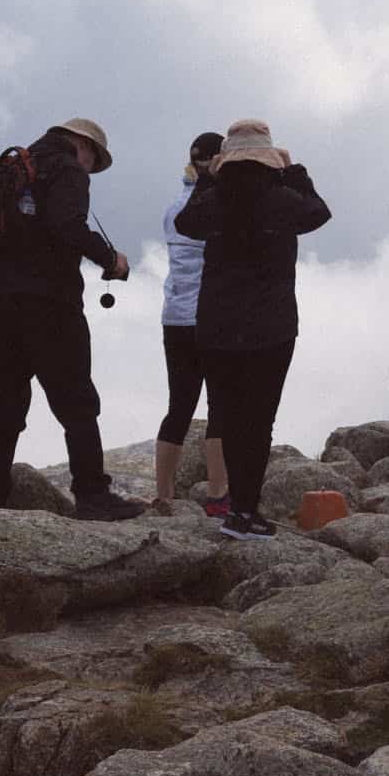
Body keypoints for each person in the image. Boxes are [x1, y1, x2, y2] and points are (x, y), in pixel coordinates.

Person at [0, 115, 143, 519]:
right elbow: (67, 226)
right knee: (77, 401)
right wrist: (111, 260)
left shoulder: (2, 172)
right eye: (93, 162)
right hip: (50, 304)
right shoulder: (66, 169)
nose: (90, 169)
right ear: (83, 146)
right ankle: (93, 495)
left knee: (4, 408)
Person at [174, 119, 331, 540]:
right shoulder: (282, 197)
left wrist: (208, 180)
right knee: (259, 421)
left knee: (226, 414)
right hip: (271, 326)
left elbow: (185, 223)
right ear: (268, 156)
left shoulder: (215, 199)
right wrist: (293, 169)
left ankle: (233, 513)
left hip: (216, 324)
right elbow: (319, 211)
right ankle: (245, 510)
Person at [157, 131, 230, 515]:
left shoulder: (175, 205)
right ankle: (219, 495)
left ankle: (164, 495)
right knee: (220, 406)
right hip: (212, 315)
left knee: (179, 407)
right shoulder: (216, 204)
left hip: (174, 317)